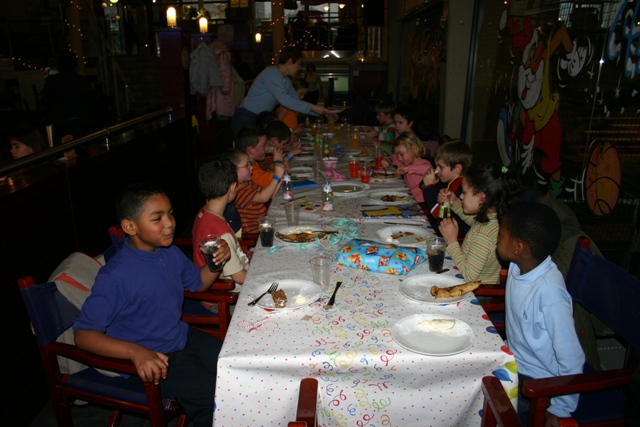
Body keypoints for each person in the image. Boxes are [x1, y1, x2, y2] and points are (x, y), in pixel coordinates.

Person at [73, 182, 231, 427]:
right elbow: (83, 334)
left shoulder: (169, 253)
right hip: (154, 357)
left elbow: (198, 284)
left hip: (181, 337)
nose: (169, 223)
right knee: (217, 398)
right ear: (130, 226)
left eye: (170, 214)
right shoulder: (116, 275)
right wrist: (136, 352)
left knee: (235, 369)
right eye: (157, 218)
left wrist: (215, 264)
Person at [497, 201, 585, 423]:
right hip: (513, 362)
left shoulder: (550, 295)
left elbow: (572, 358)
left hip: (538, 382)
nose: (497, 239)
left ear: (518, 248)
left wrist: (559, 409)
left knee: (486, 408)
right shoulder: (518, 266)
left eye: (501, 235)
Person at [438, 162, 523, 283]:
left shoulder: (483, 235)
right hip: (468, 280)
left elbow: (467, 276)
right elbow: (475, 224)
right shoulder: (494, 219)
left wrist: (452, 241)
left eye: (464, 192)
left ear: (482, 197)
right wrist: (455, 203)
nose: (461, 196)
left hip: (475, 292)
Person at [231, 47, 336, 138]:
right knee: (247, 155)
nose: (300, 68)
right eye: (299, 64)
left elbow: (295, 101)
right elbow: (285, 100)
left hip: (259, 118)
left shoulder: (285, 79)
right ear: (290, 62)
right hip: (246, 117)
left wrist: (324, 113)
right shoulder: (272, 73)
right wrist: (314, 108)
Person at [192, 158, 249, 287]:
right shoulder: (221, 232)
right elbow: (239, 277)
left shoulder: (203, 213)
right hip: (225, 290)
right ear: (233, 187)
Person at [224, 148, 284, 234]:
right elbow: (263, 198)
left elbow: (271, 194)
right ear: (234, 169)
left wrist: (280, 178)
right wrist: (277, 177)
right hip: (253, 232)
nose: (251, 167)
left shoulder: (248, 182)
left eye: (251, 164)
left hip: (262, 225)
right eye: (247, 165)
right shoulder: (237, 189)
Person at [421, 139, 472, 237]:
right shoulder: (453, 183)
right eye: (436, 166)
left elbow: (438, 213)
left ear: (457, 169)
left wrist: (429, 187)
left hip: (457, 237)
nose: (437, 170)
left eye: (441, 167)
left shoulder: (459, 187)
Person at [41, 50, 96, 135]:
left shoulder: (52, 81)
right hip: (80, 124)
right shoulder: (82, 81)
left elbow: (45, 103)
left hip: (59, 123)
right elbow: (91, 102)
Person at [379, 132, 432, 202]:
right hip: (407, 198)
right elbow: (393, 157)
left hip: (420, 204)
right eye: (398, 155)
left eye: (401, 154)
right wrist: (389, 160)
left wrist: (408, 169)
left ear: (414, 149)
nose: (399, 158)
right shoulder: (405, 161)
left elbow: (428, 169)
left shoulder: (424, 164)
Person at [235, 124, 283, 188]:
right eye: (263, 145)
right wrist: (278, 162)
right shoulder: (250, 170)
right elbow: (275, 179)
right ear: (251, 150)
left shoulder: (255, 163)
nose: (266, 148)